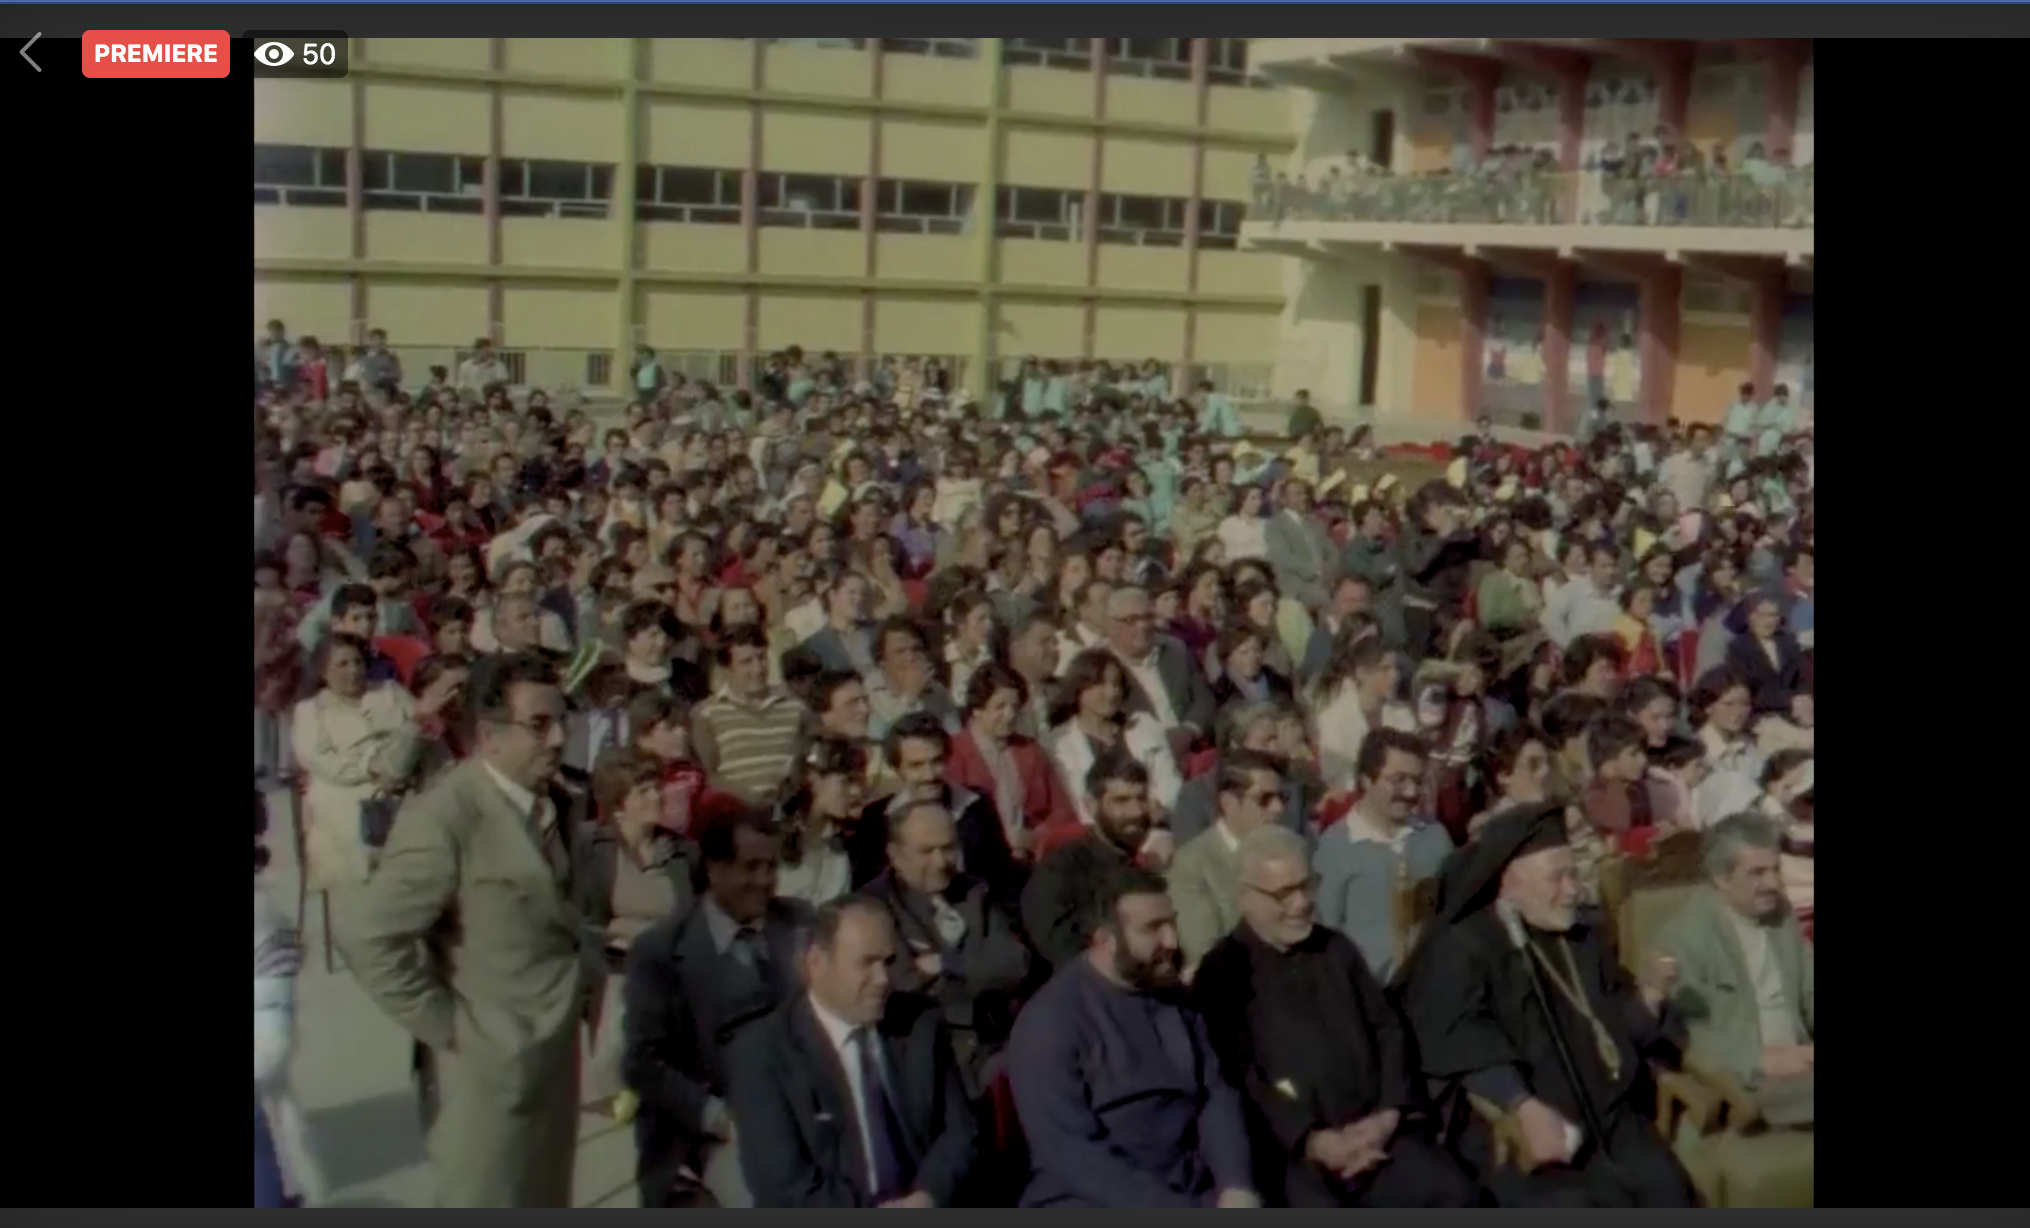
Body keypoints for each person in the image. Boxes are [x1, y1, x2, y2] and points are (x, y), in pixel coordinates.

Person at [336, 652, 588, 1208]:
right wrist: (452, 1028)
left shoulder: (557, 801)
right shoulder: (445, 817)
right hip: (484, 1076)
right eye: (538, 725)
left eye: (562, 721)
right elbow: (367, 934)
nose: (557, 739)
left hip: (552, 1061)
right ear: (488, 736)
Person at [1397, 803, 1699, 1207]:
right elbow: (1458, 1037)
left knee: (1669, 1189)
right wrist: (1520, 1104)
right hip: (1529, 1132)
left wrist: (1651, 995)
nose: (1573, 890)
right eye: (1556, 878)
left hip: (1612, 1118)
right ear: (1508, 883)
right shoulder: (1466, 946)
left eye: (1573, 874)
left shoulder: (1582, 936)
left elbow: (1615, 1031)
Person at [1195, 826, 1482, 1208]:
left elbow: (1389, 1031)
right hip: (1292, 1154)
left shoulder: (1336, 949)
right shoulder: (1223, 973)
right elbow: (1239, 1078)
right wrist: (1312, 1140)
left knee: (1456, 1193)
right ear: (1244, 896)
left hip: (1380, 1134)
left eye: (1306, 886)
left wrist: (1388, 1116)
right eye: (1283, 893)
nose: (1301, 903)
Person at [1007, 865, 1261, 1208]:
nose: (1171, 941)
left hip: (1189, 1184)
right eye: (1152, 929)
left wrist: (1235, 1183)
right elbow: (1070, 1152)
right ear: (1104, 940)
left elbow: (1215, 1093)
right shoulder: (1051, 1022)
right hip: (1092, 1197)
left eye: (1171, 923)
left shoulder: (1175, 998)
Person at [726, 895, 982, 1208]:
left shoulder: (919, 1022)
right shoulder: (762, 1053)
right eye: (866, 963)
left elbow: (960, 1131)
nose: (883, 979)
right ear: (815, 963)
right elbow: (782, 1184)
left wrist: (928, 1195)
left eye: (888, 962)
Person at [622, 808, 813, 1208]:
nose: (765, 880)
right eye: (751, 867)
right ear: (714, 869)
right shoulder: (662, 951)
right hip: (712, 1129)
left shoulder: (799, 924)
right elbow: (643, 1063)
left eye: (771, 867)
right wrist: (721, 1119)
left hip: (803, 1111)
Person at [1652, 814, 1815, 1127]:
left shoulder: (1780, 915)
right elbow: (1683, 1032)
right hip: (1747, 1078)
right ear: (1721, 879)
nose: (1774, 884)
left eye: (1775, 869)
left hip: (1801, 1061)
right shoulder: (1685, 939)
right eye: (1757, 873)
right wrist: (1758, 1059)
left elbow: (1810, 986)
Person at [861, 800, 1033, 1098]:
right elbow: (905, 985)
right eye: (926, 851)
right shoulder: (874, 907)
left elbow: (1016, 965)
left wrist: (946, 963)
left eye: (949, 848)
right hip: (930, 1057)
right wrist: (983, 975)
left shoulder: (974, 892)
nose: (941, 862)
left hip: (993, 1042)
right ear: (895, 855)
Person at [1313, 729, 1454, 982]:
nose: (1411, 792)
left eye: (1417, 781)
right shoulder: (1335, 847)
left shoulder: (1436, 837)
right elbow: (1325, 935)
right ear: (1367, 780)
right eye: (1399, 780)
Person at [291, 632, 426, 892]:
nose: (353, 670)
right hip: (347, 793)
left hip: (404, 784)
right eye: (342, 664)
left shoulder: (390, 692)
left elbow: (419, 733)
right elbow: (321, 761)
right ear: (323, 671)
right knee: (352, 832)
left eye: (358, 662)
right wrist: (371, 766)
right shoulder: (310, 710)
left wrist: (399, 769)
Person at [1022, 755, 1162, 972]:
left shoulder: (1156, 866)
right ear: (1091, 805)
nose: (1136, 811)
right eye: (1121, 801)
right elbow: (1062, 951)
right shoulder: (1060, 872)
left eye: (1141, 799)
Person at [1166, 749, 1289, 973]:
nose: (1278, 808)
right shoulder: (1192, 865)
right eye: (1265, 799)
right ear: (1228, 803)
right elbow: (1206, 955)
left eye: (1282, 798)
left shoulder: (1289, 852)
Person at [692, 624, 807, 805]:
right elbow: (708, 776)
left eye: (761, 658)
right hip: (737, 813)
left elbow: (805, 760)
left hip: (789, 809)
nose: (758, 668)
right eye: (746, 662)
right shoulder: (707, 714)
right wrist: (748, 800)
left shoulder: (795, 705)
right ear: (726, 669)